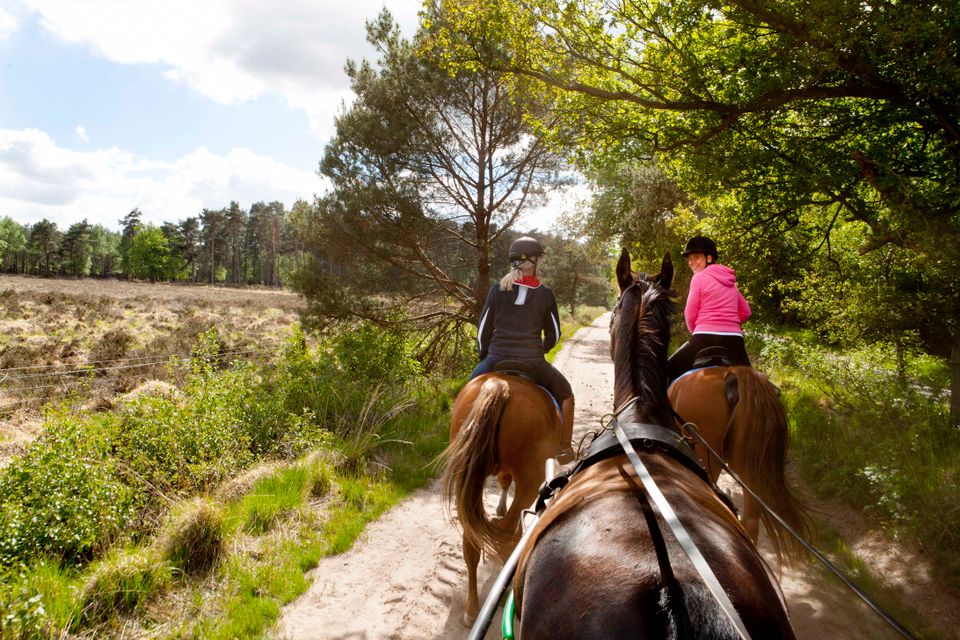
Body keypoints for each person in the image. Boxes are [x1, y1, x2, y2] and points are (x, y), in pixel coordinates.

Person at [471, 236, 576, 461]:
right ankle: (564, 449)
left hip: (496, 357)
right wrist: (541, 350)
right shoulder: (545, 293)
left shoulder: (497, 289)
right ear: (533, 261)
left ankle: (460, 442)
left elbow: (483, 330)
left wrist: (484, 355)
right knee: (567, 396)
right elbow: (555, 334)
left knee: (466, 392)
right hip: (532, 361)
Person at [667, 235, 752, 384]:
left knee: (666, 371)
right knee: (753, 385)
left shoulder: (699, 278)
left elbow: (689, 313)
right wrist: (729, 324)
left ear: (709, 258)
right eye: (689, 259)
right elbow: (746, 311)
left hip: (704, 338)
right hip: (735, 340)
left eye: (696, 257)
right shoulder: (731, 281)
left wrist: (697, 331)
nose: (691, 262)